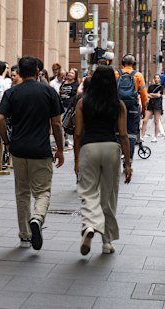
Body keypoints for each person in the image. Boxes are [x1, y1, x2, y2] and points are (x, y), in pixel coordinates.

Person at [0, 56, 64, 251]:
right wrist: (59, 149)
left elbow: (0, 119)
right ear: (37, 72)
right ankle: (37, 218)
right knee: (42, 191)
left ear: (20, 72)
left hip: (18, 149)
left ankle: (25, 234)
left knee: (22, 192)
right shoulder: (49, 92)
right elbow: (57, 124)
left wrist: (7, 141)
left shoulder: (12, 93)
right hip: (41, 150)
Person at [74, 65, 132, 256]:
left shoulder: (83, 103)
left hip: (89, 148)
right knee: (109, 194)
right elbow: (123, 135)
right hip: (111, 148)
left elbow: (78, 134)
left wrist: (76, 159)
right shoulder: (118, 105)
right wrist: (128, 163)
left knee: (88, 191)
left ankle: (90, 225)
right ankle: (107, 242)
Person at [115, 54, 148, 160]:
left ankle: (117, 156)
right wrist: (143, 110)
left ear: (122, 62)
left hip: (118, 107)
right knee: (132, 134)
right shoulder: (138, 75)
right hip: (132, 108)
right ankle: (128, 160)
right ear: (134, 64)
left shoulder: (116, 74)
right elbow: (143, 95)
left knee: (117, 132)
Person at [140, 74, 163, 142]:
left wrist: (151, 95)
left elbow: (159, 95)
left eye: (158, 78)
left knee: (156, 121)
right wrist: (153, 95)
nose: (156, 79)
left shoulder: (161, 87)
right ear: (153, 79)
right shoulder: (151, 87)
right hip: (150, 105)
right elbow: (146, 95)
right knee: (145, 120)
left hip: (157, 105)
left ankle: (155, 137)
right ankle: (142, 136)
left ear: (159, 79)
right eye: (155, 78)